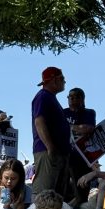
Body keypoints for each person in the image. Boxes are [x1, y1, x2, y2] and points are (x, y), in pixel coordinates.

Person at [31, 66, 71, 196]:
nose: (64, 81)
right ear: (53, 80)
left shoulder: (51, 98)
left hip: (57, 152)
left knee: (56, 196)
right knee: (44, 195)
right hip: (47, 152)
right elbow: (39, 121)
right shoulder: (43, 96)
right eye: (62, 78)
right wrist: (50, 147)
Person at [64, 87, 97, 206]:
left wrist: (70, 127)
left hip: (83, 158)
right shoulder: (63, 112)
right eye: (70, 97)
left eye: (76, 96)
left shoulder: (89, 112)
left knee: (81, 190)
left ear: (82, 99)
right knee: (65, 188)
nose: (72, 99)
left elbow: (89, 128)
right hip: (65, 155)